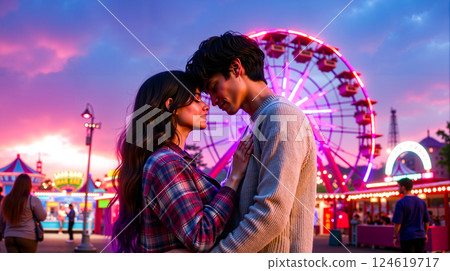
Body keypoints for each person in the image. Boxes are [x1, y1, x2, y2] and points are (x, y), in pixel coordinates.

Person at [187, 31, 317, 253]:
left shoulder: (282, 117)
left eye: (214, 86)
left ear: (236, 68)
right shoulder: (258, 123)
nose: (213, 100)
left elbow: (271, 215)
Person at [110, 71, 253, 252]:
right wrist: (233, 179)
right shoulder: (166, 163)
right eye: (196, 99)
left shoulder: (173, 160)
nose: (206, 106)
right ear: (171, 106)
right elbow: (200, 236)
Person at [0, 174, 47, 253]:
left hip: (9, 237)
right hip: (27, 236)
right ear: (29, 185)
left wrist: (1, 232)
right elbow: (42, 217)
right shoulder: (33, 200)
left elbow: (1, 219)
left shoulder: (6, 200)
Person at [393, 178, 430, 253]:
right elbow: (427, 221)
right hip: (420, 236)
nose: (398, 189)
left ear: (403, 187)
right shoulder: (422, 202)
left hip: (407, 237)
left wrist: (395, 236)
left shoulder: (400, 203)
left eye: (398, 186)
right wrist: (425, 234)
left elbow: (398, 223)